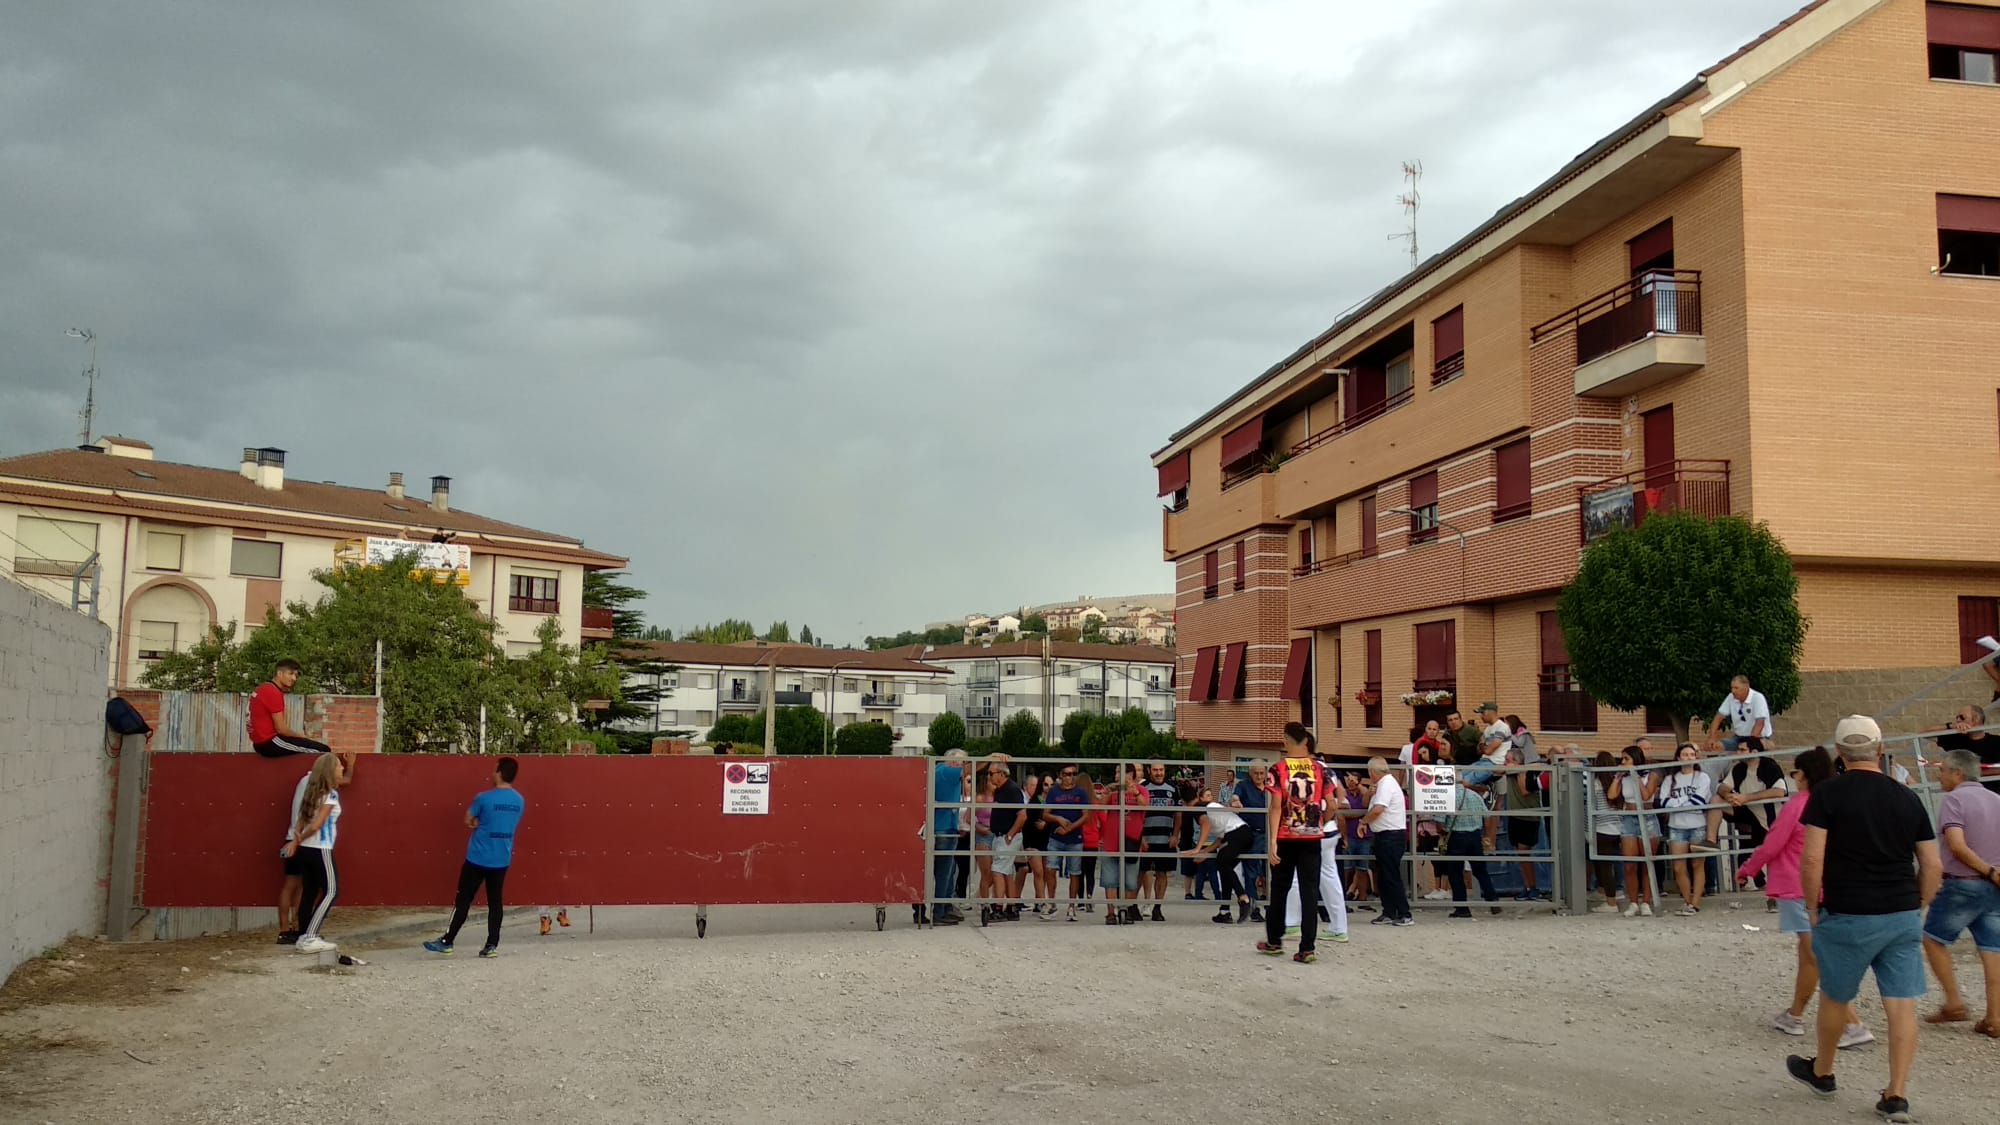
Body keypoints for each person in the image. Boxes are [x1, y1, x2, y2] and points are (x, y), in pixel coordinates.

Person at [1785, 716, 1942, 1125]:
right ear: (1880, 748)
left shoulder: (1828, 795)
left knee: (1836, 996)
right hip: (1901, 911)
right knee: (1901, 1004)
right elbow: (1931, 862)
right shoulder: (1907, 797)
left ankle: (1823, 1071)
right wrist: (1919, 903)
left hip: (1848, 910)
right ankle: (1896, 1095)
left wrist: (1813, 907)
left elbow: (1813, 857)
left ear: (1839, 753)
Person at [1738, 748, 1874, 1045]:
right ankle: (1795, 1014)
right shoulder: (1835, 802)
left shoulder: (1799, 804)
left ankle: (1852, 1023)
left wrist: (1748, 868)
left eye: (1795, 772)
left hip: (1798, 886)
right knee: (1809, 955)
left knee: (1816, 955)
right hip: (1828, 886)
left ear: (1805, 774)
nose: (1793, 778)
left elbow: (1774, 842)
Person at [1919, 748, 2000, 1036]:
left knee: (1931, 938)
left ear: (1957, 773)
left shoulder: (1954, 801)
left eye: (1942, 770)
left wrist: (1985, 870)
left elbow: (1956, 845)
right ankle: (1995, 1016)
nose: (1938, 775)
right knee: (1992, 950)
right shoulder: (1996, 799)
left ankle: (1954, 1001)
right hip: (1994, 886)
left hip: (1963, 883)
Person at [424, 756, 525, 957]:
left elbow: (468, 820)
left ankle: (447, 940)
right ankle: (491, 945)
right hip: (501, 858)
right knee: (495, 903)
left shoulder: (484, 798)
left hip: (478, 857)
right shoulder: (519, 801)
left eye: (494, 770)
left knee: (463, 901)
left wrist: (477, 823)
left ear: (499, 773)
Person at [1257, 722, 1328, 963]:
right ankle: (1307, 946)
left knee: (1279, 888)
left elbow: (1275, 807)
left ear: (1287, 741)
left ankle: (1274, 940)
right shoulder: (1320, 769)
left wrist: (1273, 842)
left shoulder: (1278, 769)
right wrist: (1321, 821)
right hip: (1312, 836)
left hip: (1286, 836)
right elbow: (1334, 804)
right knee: (1310, 890)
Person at [276, 752, 357, 945]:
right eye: (338, 766)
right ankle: (310, 935)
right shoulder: (330, 794)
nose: (342, 768)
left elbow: (302, 819)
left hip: (304, 848)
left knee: (309, 891)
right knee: (332, 891)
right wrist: (300, 838)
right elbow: (315, 826)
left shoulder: (312, 788)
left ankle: (302, 933)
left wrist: (296, 841)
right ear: (330, 770)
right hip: (321, 847)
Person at [1658, 743, 1716, 915]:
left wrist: (1677, 803)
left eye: (1692, 754)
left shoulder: (1702, 777)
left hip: (1697, 825)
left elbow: (1699, 801)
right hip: (1676, 826)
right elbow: (1663, 803)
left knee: (1698, 864)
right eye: (1685, 754)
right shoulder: (1670, 779)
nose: (1689, 757)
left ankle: (1695, 903)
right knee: (1678, 866)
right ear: (1678, 757)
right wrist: (1685, 802)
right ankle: (1687, 900)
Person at [249, 659, 344, 761]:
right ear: (279, 673)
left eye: (295, 675)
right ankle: (315, 777)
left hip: (260, 743)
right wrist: (301, 737)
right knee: (324, 752)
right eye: (290, 674)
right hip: (269, 743)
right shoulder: (272, 692)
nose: (294, 678)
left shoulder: (263, 688)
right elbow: (281, 729)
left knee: (311, 748)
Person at [1437, 776, 1501, 918]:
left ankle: (1462, 908)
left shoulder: (1446, 797)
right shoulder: (1474, 795)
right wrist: (1487, 836)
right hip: (1475, 837)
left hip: (1456, 838)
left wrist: (1442, 833)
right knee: (1480, 871)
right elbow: (1487, 816)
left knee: (1455, 873)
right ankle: (1492, 899)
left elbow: (1440, 824)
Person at [1190, 788, 1256, 924]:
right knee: (1225, 869)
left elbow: (1206, 825)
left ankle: (1244, 898)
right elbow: (1220, 839)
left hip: (1236, 834)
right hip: (1241, 834)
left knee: (1222, 863)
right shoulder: (1212, 808)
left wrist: (1198, 848)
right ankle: (1224, 911)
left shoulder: (1198, 808)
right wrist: (1205, 852)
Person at [1609, 743, 1660, 917]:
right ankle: (1633, 902)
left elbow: (1646, 796)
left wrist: (1635, 775)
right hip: (1629, 817)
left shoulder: (1651, 775)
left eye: (1626, 758)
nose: (1623, 761)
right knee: (1630, 864)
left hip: (1647, 818)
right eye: (1622, 759)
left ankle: (1646, 901)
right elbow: (1612, 795)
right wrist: (1617, 777)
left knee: (1647, 863)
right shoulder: (1623, 777)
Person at [1360, 757, 1411, 926]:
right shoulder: (1383, 785)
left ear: (1372, 772)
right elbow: (1370, 805)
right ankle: (1389, 911)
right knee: (1384, 876)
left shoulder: (1386, 784)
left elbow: (1378, 809)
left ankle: (1404, 913)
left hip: (1390, 835)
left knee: (1391, 875)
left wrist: (1363, 822)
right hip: (1384, 836)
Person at [1042, 764, 1091, 921]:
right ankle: (1052, 903)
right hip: (1056, 837)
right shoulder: (1053, 792)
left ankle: (1072, 906)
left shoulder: (1081, 793)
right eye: (1067, 774)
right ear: (1060, 775)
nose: (1071, 777)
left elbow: (1085, 816)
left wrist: (1069, 828)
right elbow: (1045, 814)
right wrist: (1058, 819)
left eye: (1074, 774)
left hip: (1074, 838)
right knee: (1050, 869)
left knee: (1075, 872)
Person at [1501, 739, 1548, 901]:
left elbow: (1524, 791)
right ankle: (1527, 887)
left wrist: (1520, 771)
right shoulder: (1509, 771)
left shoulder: (1526, 772)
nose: (1505, 764)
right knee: (1521, 855)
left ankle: (1533, 887)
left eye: (1508, 761)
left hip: (1528, 817)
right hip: (1515, 816)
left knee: (1524, 852)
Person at [1103, 765, 1147, 925]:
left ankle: (1127, 910)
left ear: (1130, 774)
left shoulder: (1141, 790)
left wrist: (1133, 791)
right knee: (1110, 880)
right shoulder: (1113, 792)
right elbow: (1099, 806)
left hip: (1131, 843)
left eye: (1119, 772)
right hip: (1111, 842)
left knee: (1130, 881)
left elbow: (1144, 806)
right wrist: (1108, 792)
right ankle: (1110, 913)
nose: (1116, 775)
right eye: (1115, 772)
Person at [928, 750, 967, 926]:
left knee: (946, 871)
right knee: (944, 873)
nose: (962, 767)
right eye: (960, 763)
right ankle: (939, 912)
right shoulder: (946, 771)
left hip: (941, 828)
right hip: (944, 830)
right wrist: (989, 758)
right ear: (952, 761)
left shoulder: (937, 771)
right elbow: (972, 768)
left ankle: (941, 909)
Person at [1139, 762, 1180, 922]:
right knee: (1141, 872)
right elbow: (1138, 815)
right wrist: (1140, 837)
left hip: (1166, 839)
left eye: (1161, 770)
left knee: (1163, 874)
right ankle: (1133, 907)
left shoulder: (1172, 788)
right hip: (1147, 839)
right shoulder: (1144, 788)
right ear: (1149, 771)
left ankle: (1157, 907)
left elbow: (1178, 813)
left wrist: (1175, 835)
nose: (1158, 773)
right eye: (1155, 770)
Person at [1588, 751, 1627, 914]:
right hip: (1618, 828)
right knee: (1610, 864)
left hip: (1601, 828)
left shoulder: (1595, 783)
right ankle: (1609, 893)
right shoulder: (1618, 782)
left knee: (1604, 867)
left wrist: (1587, 831)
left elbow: (1591, 808)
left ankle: (1611, 902)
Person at [986, 762, 1026, 923]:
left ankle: (998, 908)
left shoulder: (1011, 789)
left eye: (991, 773)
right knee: (1007, 872)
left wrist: (1010, 835)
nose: (989, 776)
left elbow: (1022, 815)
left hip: (1007, 837)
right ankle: (1011, 906)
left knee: (997, 871)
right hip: (1000, 836)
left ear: (1002, 774)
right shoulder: (1000, 790)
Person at [1931, 704, 2000, 794]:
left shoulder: (1997, 742)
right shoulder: (1957, 740)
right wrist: (1951, 726)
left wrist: (1971, 774)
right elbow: (1924, 734)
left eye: (1962, 717)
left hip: (1994, 793)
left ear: (1976, 720)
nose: (1958, 720)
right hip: (1965, 795)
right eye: (1957, 718)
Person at [1231, 762, 1270, 922]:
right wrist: (1236, 801)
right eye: (1256, 773)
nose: (1259, 777)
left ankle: (1272, 907)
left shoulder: (1269, 786)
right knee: (1251, 872)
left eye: (1262, 773)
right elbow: (1235, 797)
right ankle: (1254, 908)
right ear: (1250, 773)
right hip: (1252, 834)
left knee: (1270, 872)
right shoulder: (1243, 785)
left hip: (1269, 834)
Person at [1705, 674, 1773, 754]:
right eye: (1732, 688)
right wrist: (1711, 738)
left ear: (1746, 687)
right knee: (1717, 747)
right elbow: (1718, 717)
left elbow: (1760, 723)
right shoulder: (1731, 697)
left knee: (1751, 751)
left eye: (1736, 688)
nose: (1733, 691)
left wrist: (1749, 743)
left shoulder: (1758, 698)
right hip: (1739, 737)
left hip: (1758, 737)